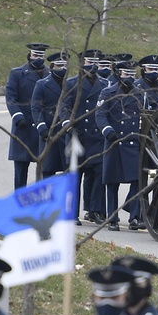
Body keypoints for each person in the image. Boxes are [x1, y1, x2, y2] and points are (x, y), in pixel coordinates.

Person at [96, 57, 144, 231]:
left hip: (132, 142)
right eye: (126, 74)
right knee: (112, 181)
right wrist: (108, 131)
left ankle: (134, 216)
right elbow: (100, 115)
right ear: (118, 74)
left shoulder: (139, 93)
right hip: (114, 142)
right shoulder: (107, 93)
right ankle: (112, 217)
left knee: (138, 180)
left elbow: (144, 116)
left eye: (132, 74)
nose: (129, 78)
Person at [60, 49, 107, 224]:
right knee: (75, 176)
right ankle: (72, 213)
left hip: (97, 136)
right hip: (77, 135)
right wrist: (66, 123)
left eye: (95, 62)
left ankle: (95, 210)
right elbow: (64, 107)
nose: (92, 66)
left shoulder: (104, 84)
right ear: (81, 63)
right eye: (88, 62)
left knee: (98, 174)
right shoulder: (72, 84)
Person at [5, 42, 49, 190]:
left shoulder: (50, 75)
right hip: (24, 128)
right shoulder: (17, 74)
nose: (38, 58)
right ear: (30, 55)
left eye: (41, 56)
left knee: (45, 171)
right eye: (35, 55)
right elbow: (11, 98)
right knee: (20, 172)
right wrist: (18, 117)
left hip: (43, 129)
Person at [31, 51, 70, 179]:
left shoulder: (71, 85)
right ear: (52, 66)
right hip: (49, 133)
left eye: (64, 65)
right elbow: (36, 108)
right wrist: (42, 128)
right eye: (59, 66)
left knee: (68, 171)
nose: (62, 69)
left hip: (66, 133)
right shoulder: (42, 84)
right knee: (47, 170)